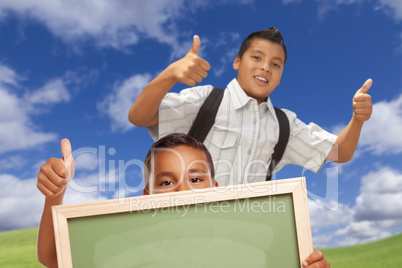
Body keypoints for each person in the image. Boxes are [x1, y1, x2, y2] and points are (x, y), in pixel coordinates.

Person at [37, 133, 332, 268]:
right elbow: (52, 257)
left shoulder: (248, 247)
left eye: (195, 179)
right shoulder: (130, 246)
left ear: (215, 188)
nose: (182, 192)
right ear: (147, 196)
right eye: (166, 182)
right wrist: (55, 195)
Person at [128, 27, 373, 186]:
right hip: (189, 224)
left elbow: (340, 153)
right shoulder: (206, 101)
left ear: (281, 74)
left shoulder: (284, 125)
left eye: (276, 64)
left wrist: (357, 119)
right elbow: (140, 117)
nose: (266, 67)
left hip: (243, 232)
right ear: (237, 61)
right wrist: (169, 75)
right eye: (256, 57)